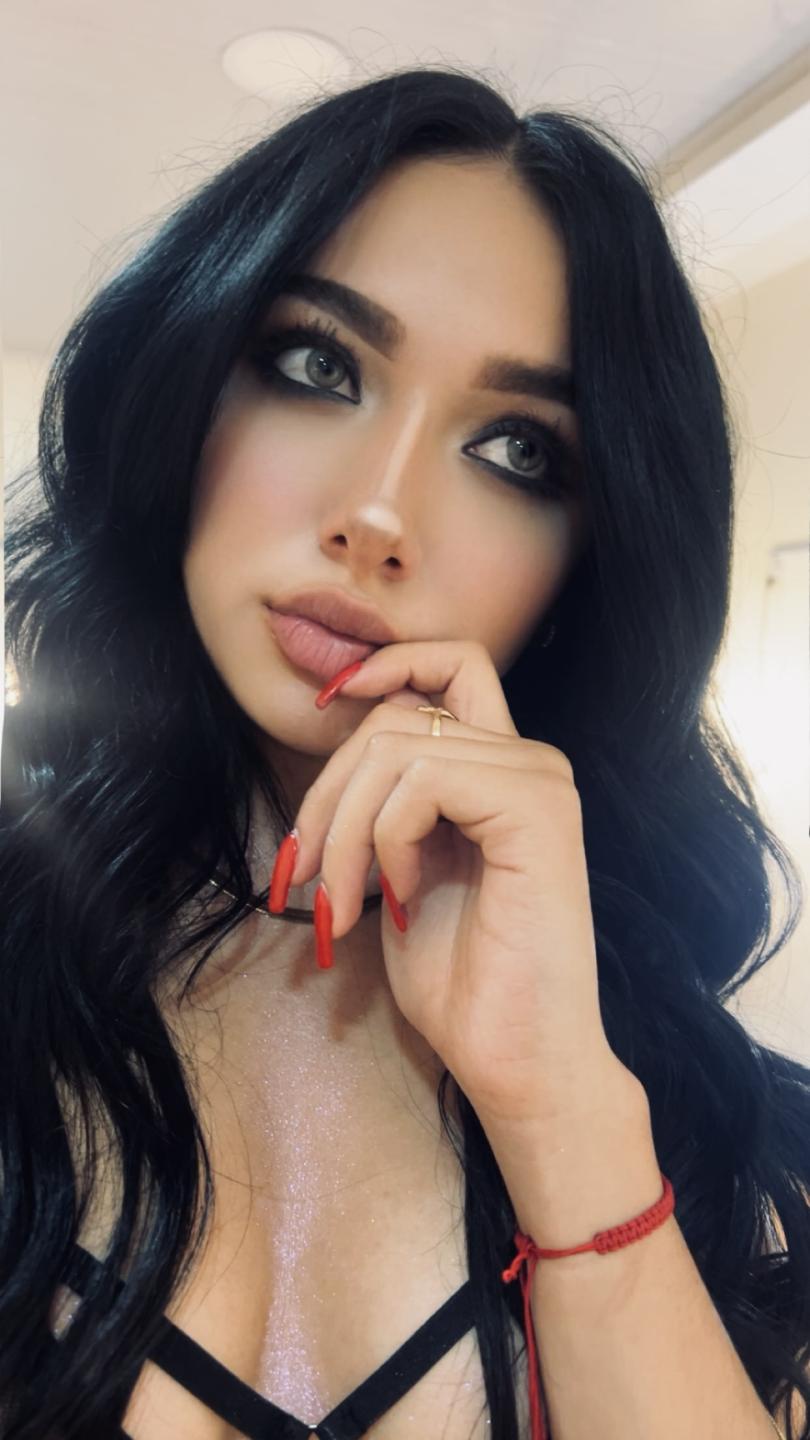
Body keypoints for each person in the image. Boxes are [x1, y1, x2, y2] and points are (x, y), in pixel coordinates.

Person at [2, 65, 807, 1440]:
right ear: (187, 378)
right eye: (319, 365)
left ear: (589, 561)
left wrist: (560, 1113)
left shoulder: (730, 1141)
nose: (377, 515)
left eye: (517, 450)